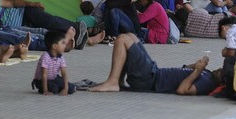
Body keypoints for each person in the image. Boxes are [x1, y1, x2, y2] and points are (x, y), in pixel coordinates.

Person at [89, 33, 220, 95]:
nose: (219, 68)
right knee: (132, 36)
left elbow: (182, 89)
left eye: (221, 71)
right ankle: (119, 81)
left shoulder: (207, 83)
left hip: (149, 80)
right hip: (154, 71)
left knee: (122, 39)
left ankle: (112, 82)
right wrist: (196, 65)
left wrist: (197, 70)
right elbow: (183, 71)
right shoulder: (208, 74)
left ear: (223, 79)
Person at [0, 0, 88, 50]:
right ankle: (82, 40)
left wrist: (32, 4)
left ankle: (77, 29)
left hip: (25, 13)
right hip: (19, 27)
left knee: (51, 21)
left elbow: (12, 2)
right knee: (46, 33)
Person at [31, 30, 77, 95]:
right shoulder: (46, 56)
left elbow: (64, 73)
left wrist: (65, 89)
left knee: (71, 88)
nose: (65, 45)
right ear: (54, 46)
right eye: (63, 43)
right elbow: (44, 75)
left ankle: (59, 88)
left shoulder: (60, 57)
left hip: (54, 78)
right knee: (54, 89)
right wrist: (45, 91)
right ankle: (43, 89)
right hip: (41, 80)